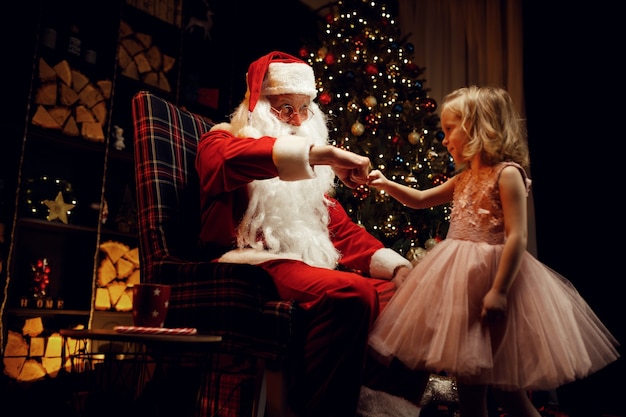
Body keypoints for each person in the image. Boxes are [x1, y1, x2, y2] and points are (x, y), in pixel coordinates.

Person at [366, 86, 620, 417]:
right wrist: (386, 184)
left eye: (449, 130)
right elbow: (419, 199)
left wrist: (499, 291)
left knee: (509, 393)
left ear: (476, 127)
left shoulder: (507, 174)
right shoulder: (463, 179)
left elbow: (516, 237)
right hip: (461, 284)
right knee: (470, 389)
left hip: (494, 282)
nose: (444, 140)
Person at [194, 51, 414, 417]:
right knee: (351, 293)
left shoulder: (310, 179)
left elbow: (340, 229)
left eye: (303, 108)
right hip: (252, 264)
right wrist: (324, 154)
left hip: (305, 267)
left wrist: (398, 269)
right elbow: (227, 163)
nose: (296, 120)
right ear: (259, 106)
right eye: (284, 108)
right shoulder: (223, 142)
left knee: (409, 297)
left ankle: (377, 402)